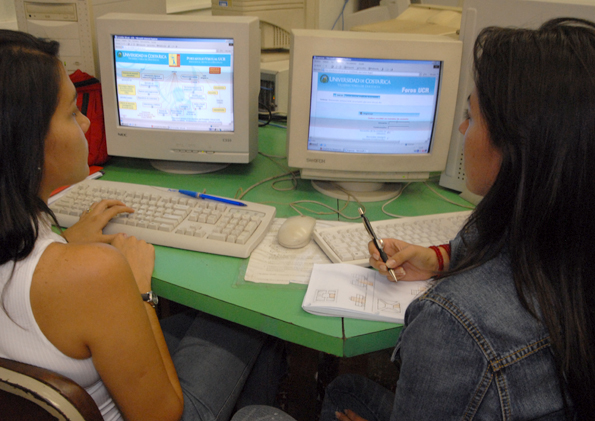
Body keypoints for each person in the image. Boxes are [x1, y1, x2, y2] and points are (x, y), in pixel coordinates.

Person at [318, 17, 595, 420]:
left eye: (471, 116)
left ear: (514, 147)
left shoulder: (452, 323)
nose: (463, 128)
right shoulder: (567, 229)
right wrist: (440, 259)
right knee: (348, 389)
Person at [0, 30, 284, 421]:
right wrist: (139, 291)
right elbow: (163, 414)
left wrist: (63, 244)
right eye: (70, 112)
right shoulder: (94, 273)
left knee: (222, 325)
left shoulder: (24, 241)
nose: (85, 122)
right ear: (27, 140)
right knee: (246, 320)